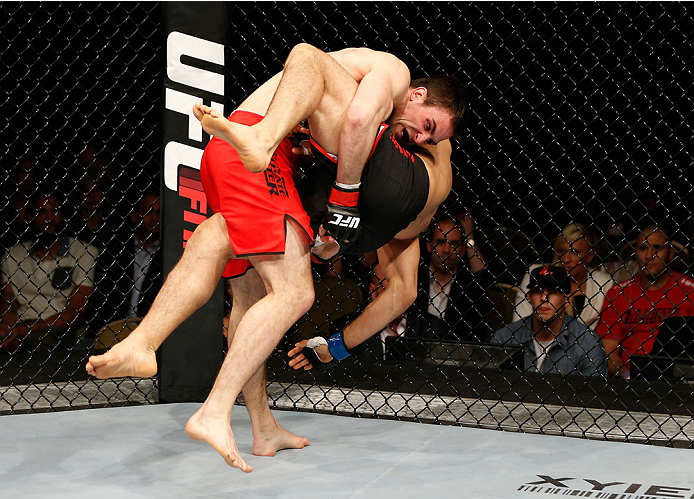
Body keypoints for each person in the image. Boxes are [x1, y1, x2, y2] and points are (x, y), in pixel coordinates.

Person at [86, 43, 466, 472]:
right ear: (415, 95)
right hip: (271, 159)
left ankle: (241, 411)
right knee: (291, 292)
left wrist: (335, 228)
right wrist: (341, 201)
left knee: (233, 270)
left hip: (241, 159)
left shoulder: (376, 138)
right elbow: (358, 117)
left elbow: (401, 292)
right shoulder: (389, 77)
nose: (421, 139)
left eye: (432, 140)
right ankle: (212, 408)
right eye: (427, 129)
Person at [1, 192, 99, 352]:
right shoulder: (13, 255)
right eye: (42, 212)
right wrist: (9, 330)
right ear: (30, 216)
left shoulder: (85, 252)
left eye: (55, 211)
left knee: (40, 340)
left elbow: (75, 312)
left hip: (60, 328)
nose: (49, 218)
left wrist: (28, 329)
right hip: (21, 324)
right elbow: (8, 300)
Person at [597, 225, 694, 377]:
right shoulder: (618, 293)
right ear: (635, 253)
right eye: (643, 248)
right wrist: (627, 376)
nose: (650, 255)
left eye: (657, 248)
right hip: (630, 377)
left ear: (670, 253)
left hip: (677, 376)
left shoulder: (690, 290)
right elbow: (608, 351)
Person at [491, 265, 607, 377]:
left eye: (553, 291)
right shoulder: (504, 338)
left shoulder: (588, 343)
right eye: (538, 291)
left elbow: (593, 393)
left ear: (567, 300)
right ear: (529, 297)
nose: (544, 298)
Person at [513, 223, 616, 327]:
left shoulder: (604, 283)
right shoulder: (537, 273)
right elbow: (519, 321)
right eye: (561, 251)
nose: (565, 259)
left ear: (589, 256)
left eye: (575, 252)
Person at [95, 191, 162, 327]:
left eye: (159, 213)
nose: (155, 218)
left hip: (151, 329)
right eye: (148, 212)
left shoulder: (167, 255)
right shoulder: (116, 250)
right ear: (134, 216)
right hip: (114, 326)